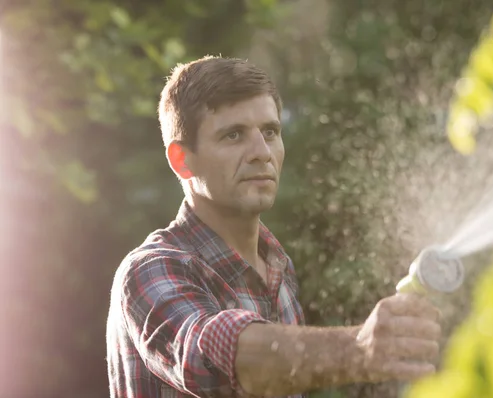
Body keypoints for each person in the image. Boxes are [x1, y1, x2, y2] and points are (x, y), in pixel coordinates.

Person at [106, 55, 441, 398]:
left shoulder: (278, 270)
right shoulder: (151, 269)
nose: (262, 152)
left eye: (270, 131)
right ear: (182, 160)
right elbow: (217, 358)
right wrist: (361, 347)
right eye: (233, 135)